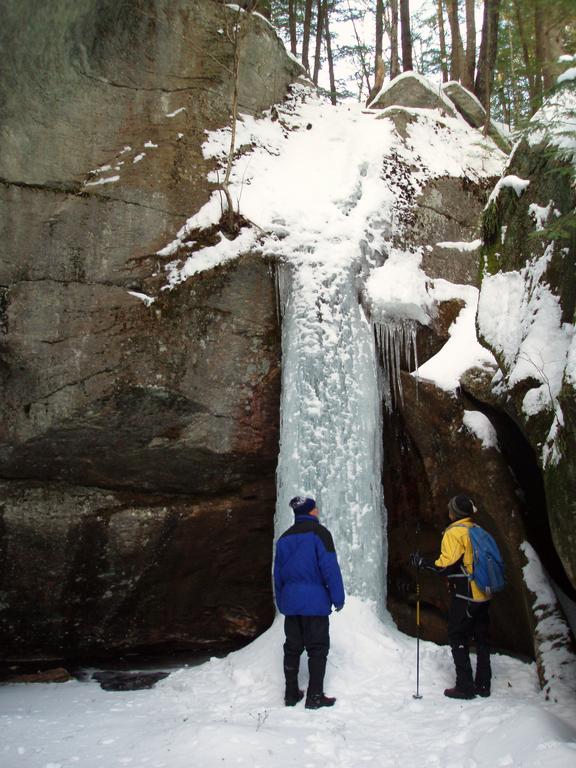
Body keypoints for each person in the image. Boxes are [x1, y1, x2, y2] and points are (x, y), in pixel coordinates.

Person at [410, 494, 491, 700]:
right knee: (481, 636)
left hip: (466, 593)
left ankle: (465, 686)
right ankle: (483, 683)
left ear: (454, 512)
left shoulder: (455, 532)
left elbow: (445, 565)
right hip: (484, 592)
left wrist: (423, 563)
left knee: (457, 634)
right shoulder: (477, 529)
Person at [274, 495, 345, 709]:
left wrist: (282, 601)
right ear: (312, 512)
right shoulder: (320, 534)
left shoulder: (284, 538)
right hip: (315, 604)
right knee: (317, 648)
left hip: (291, 603)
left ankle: (291, 694)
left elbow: (277, 575)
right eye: (316, 509)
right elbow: (330, 568)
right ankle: (314, 697)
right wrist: (338, 598)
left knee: (292, 648)